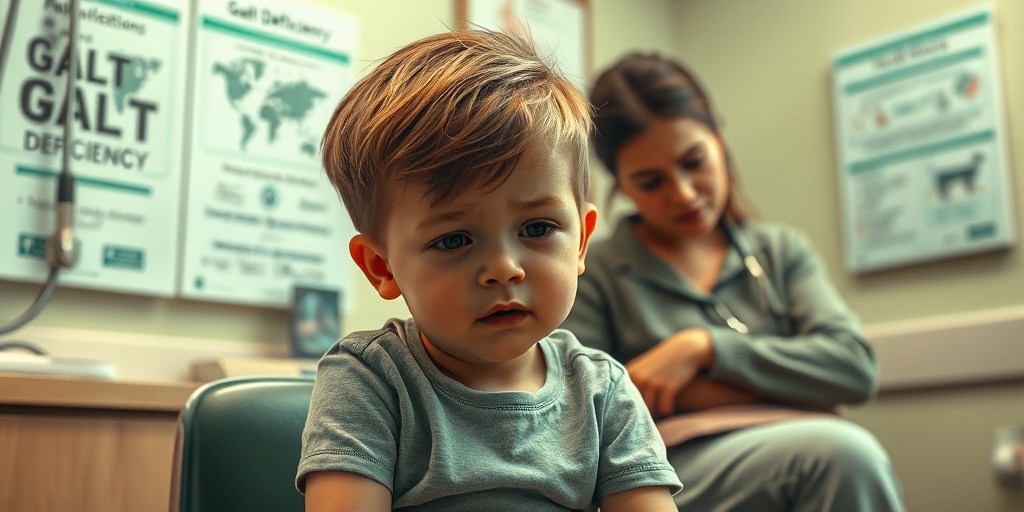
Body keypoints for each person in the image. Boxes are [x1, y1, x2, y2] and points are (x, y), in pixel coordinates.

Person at [295, 32, 683, 511]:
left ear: (581, 240)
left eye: (538, 228)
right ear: (382, 266)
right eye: (454, 240)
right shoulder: (370, 378)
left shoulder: (603, 393)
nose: (504, 269)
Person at [560, 53, 905, 511]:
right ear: (619, 185)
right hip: (663, 467)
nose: (683, 193)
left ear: (719, 135)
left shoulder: (781, 251)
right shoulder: (592, 269)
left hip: (797, 440)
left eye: (694, 161)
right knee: (845, 454)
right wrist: (793, 380)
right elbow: (590, 410)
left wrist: (704, 349)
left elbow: (854, 368)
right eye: (650, 181)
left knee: (842, 452)